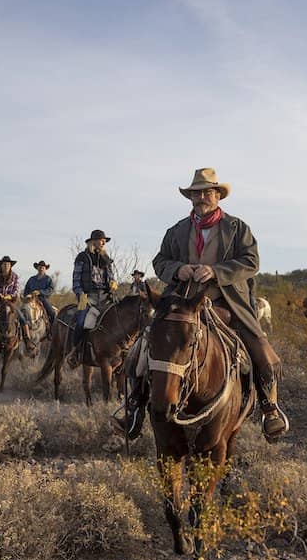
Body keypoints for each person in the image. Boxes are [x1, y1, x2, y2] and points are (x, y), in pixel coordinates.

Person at [114, 167, 290, 442]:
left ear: (218, 195)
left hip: (225, 302)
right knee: (142, 345)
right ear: (191, 197)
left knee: (260, 347)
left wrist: (216, 272)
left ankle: (270, 408)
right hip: (181, 303)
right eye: (197, 193)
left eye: (208, 192)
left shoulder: (237, 228)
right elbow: (160, 261)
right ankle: (133, 407)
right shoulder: (177, 231)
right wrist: (178, 269)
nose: (202, 197)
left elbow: (251, 261)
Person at [67, 229, 118, 367]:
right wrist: (80, 294)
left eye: (105, 241)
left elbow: (111, 276)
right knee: (81, 322)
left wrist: (113, 283)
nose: (103, 243)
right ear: (93, 241)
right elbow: (76, 279)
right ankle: (75, 351)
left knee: (120, 317)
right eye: (101, 240)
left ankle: (121, 354)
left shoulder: (106, 259)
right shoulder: (82, 257)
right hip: (88, 296)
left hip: (105, 296)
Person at [23, 260, 57, 325]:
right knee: (21, 312)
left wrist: (40, 292)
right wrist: (27, 296)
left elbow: (50, 289)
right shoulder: (31, 279)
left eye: (43, 267)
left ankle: (52, 330)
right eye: (40, 267)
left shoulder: (48, 279)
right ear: (37, 268)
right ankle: (23, 331)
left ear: (45, 269)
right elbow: (26, 289)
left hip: (43, 299)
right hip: (31, 299)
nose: (41, 269)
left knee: (52, 313)